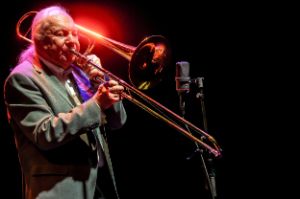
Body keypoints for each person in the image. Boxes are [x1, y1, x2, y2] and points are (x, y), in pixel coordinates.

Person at [4, 5, 127, 199]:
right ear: (40, 40)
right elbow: (45, 134)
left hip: (99, 185)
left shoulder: (79, 71)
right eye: (62, 34)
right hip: (62, 190)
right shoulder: (22, 79)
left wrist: (101, 82)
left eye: (75, 34)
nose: (73, 41)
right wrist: (96, 104)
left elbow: (117, 122)